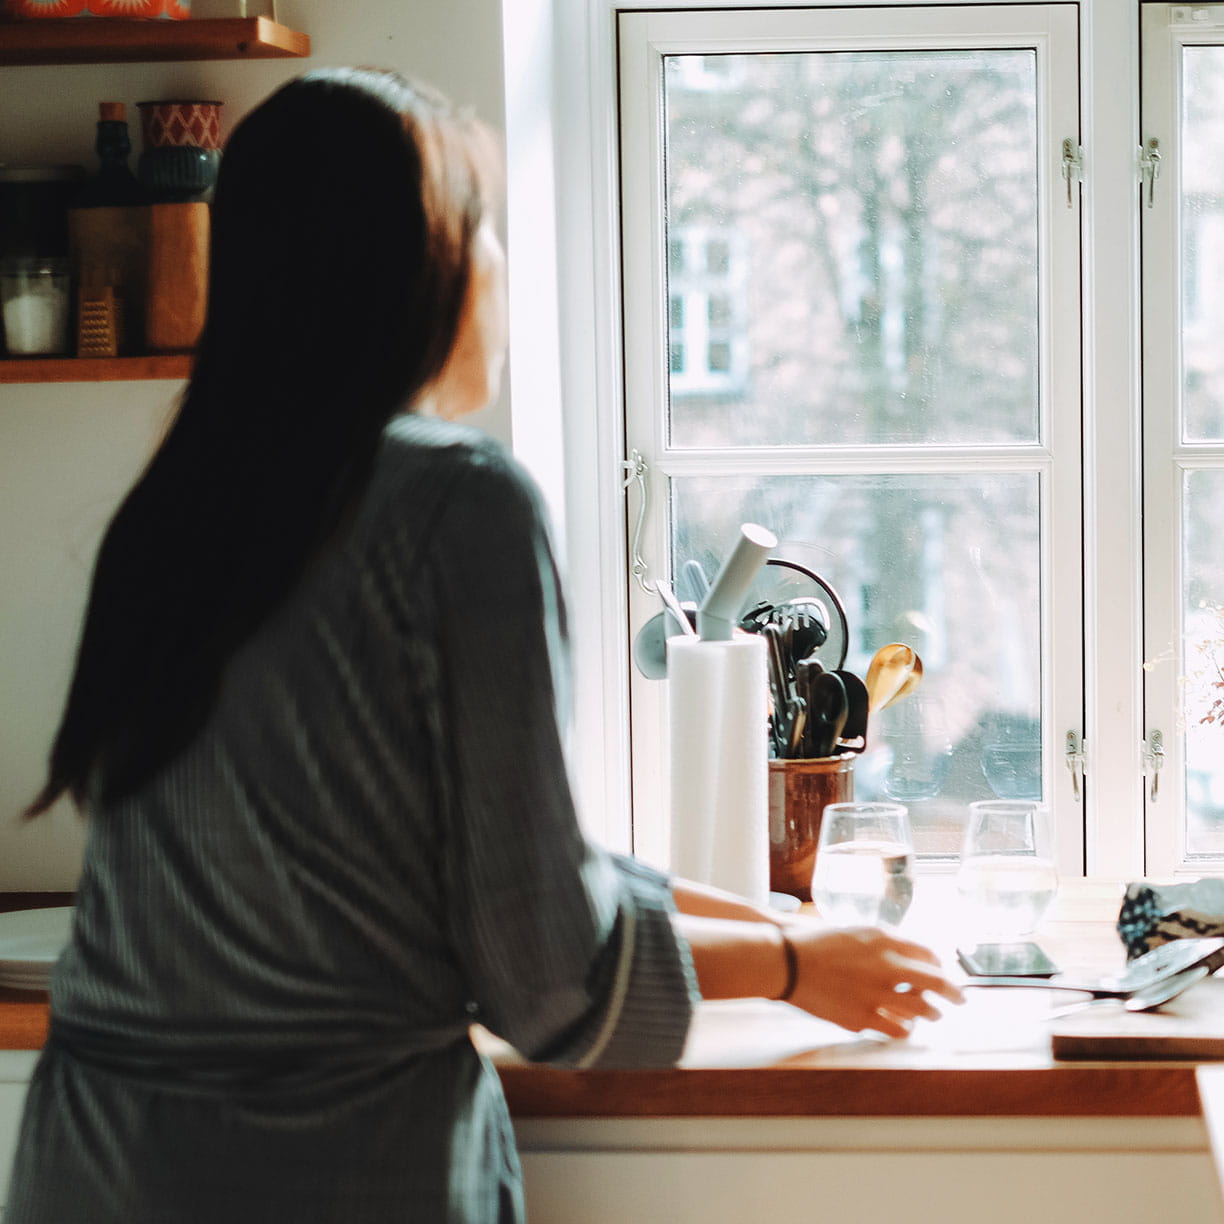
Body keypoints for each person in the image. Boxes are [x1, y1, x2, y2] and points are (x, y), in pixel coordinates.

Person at [8, 68, 961, 1224]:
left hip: (90, 1168)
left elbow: (485, 871)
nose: (501, 264)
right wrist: (803, 975)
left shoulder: (171, 509)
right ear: (412, 271)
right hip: (327, 1176)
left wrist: (786, 921)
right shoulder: (459, 506)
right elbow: (550, 978)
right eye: (483, 226)